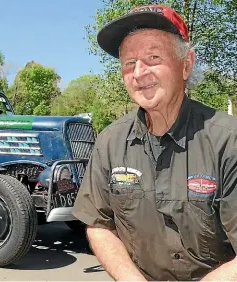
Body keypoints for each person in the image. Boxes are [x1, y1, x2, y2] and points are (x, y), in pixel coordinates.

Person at [72, 4, 237, 281]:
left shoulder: (228, 141)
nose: (139, 73)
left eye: (153, 57)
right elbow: (99, 224)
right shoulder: (110, 142)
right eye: (129, 63)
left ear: (186, 64)